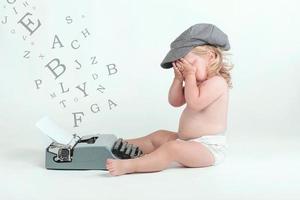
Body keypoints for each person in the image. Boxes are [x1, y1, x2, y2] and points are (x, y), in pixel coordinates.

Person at [106, 23, 233, 176]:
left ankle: (131, 166)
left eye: (191, 64)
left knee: (171, 149)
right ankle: (116, 146)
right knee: (159, 136)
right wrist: (178, 79)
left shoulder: (217, 83)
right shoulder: (196, 83)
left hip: (208, 148)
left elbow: (194, 104)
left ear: (211, 57)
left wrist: (190, 76)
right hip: (187, 141)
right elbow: (175, 101)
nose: (187, 70)